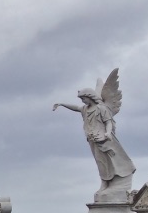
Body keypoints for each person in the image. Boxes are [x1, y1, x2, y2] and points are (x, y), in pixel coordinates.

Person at [54, 68, 135, 200]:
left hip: (104, 138)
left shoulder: (101, 108)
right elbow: (75, 108)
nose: (83, 102)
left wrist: (108, 133)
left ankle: (116, 181)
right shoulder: (85, 109)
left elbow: (108, 122)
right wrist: (62, 104)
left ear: (90, 97)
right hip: (93, 139)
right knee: (101, 162)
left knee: (110, 160)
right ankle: (105, 182)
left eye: (84, 99)